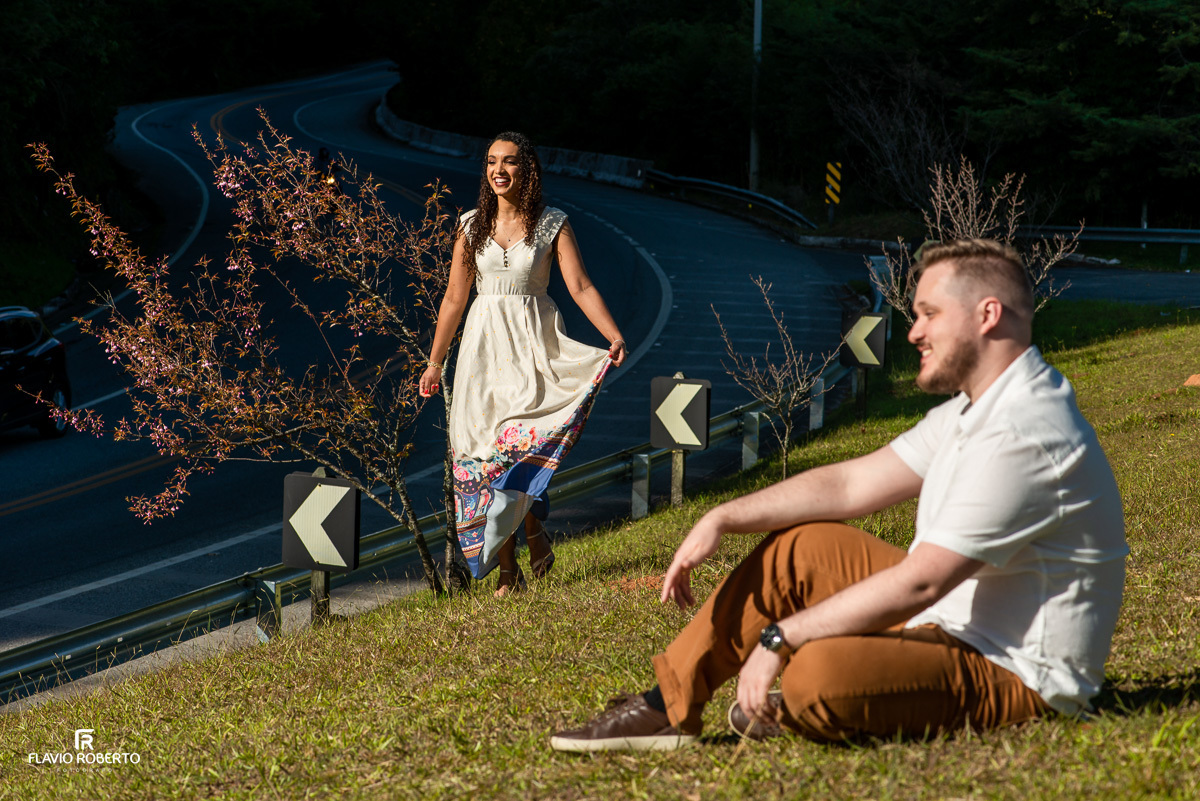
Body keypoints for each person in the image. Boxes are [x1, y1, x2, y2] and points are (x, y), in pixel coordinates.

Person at [550, 239, 1127, 751]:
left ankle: (802, 701)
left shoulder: (1025, 432)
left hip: (1014, 672)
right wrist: (725, 515)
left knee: (814, 676)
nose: (914, 332)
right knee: (799, 549)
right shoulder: (976, 410)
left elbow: (921, 582)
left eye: (928, 314)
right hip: (946, 622)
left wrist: (782, 636)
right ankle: (664, 708)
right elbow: (853, 483)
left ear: (988, 315)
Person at [420, 132, 627, 597]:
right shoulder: (470, 225)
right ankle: (510, 569)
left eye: (510, 162)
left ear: (527, 170)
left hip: (534, 350)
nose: (499, 170)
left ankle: (534, 532)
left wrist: (612, 335)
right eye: (492, 161)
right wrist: (435, 362)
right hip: (481, 355)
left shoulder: (552, 224)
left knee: (518, 450)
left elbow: (580, 286)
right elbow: (455, 297)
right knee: (490, 461)